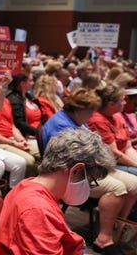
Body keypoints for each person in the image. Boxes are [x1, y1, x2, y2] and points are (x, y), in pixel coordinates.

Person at [41, 88, 137, 252]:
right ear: (79, 110)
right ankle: (104, 237)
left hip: (90, 166)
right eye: (90, 111)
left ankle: (115, 226)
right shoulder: (61, 126)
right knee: (117, 188)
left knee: (134, 183)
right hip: (73, 173)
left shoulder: (78, 120)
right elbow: (70, 163)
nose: (92, 115)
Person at [0, 128, 115, 255]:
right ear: (76, 171)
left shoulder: (28, 185)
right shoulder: (38, 210)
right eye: (90, 181)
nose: (87, 187)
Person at [88, 83, 137, 175]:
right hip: (110, 163)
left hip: (123, 158)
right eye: (122, 100)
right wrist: (135, 165)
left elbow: (128, 147)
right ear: (111, 104)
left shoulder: (117, 117)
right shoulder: (97, 121)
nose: (125, 103)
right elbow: (114, 153)